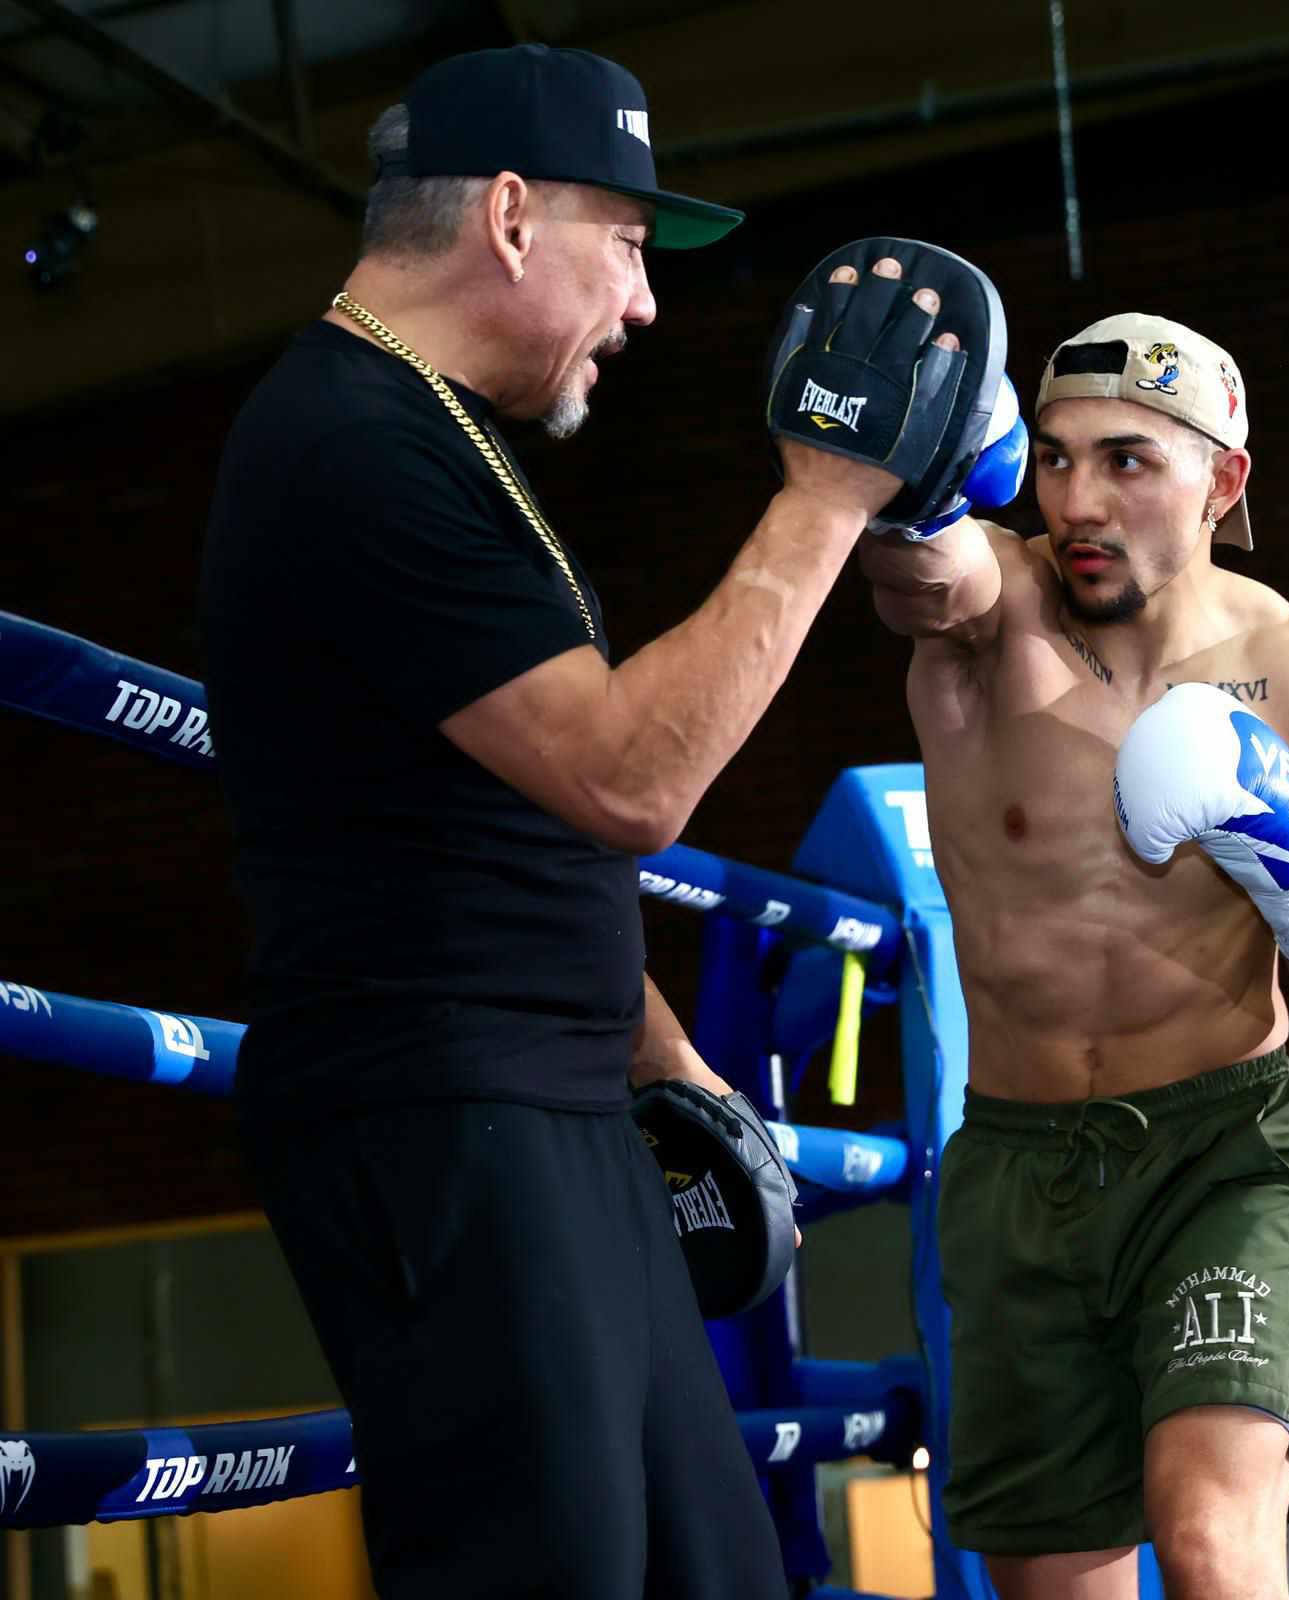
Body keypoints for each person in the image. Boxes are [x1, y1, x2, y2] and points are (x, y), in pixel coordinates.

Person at [198, 42, 970, 1600]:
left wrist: (664, 1054)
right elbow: (629, 780)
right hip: (441, 1119)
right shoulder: (352, 446)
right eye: (625, 242)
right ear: (507, 216)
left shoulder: (441, 437)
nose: (645, 301)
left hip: (556, 1114)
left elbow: (497, 823)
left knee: (715, 1568)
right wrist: (826, 496)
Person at [857, 313, 1289, 1600]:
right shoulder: (995, 613)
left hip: (1221, 1151)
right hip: (1014, 1163)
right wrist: (895, 471)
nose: (1078, 501)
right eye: (1054, 459)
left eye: (1127, 461)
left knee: (1215, 1535)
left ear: (1223, 481)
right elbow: (920, 574)